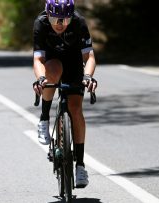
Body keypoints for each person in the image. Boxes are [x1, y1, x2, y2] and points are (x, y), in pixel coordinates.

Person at [32, 0, 97, 188]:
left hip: (74, 65)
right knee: (52, 70)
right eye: (55, 18)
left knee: (75, 110)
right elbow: (38, 59)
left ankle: (81, 166)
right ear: (48, 14)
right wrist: (41, 78)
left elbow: (89, 57)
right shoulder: (41, 23)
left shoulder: (79, 22)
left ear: (71, 16)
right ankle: (44, 118)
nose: (60, 24)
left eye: (65, 19)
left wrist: (88, 76)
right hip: (52, 63)